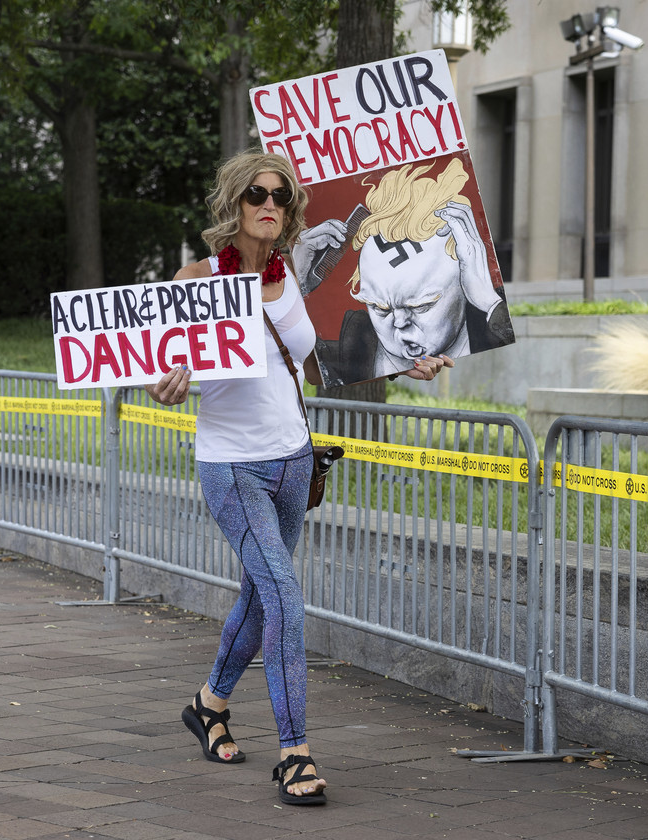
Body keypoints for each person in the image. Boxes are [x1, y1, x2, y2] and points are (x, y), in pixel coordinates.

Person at [143, 151, 452, 806]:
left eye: (281, 197)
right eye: (257, 193)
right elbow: (161, 369)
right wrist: (162, 388)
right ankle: (295, 754)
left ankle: (209, 704)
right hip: (231, 464)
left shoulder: (291, 282)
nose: (269, 205)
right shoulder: (196, 278)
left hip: (293, 460)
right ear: (234, 202)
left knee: (260, 599)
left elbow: (316, 368)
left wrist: (404, 364)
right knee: (282, 592)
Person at [293, 158, 514, 385]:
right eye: (379, 307)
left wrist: (488, 301)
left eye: (421, 305)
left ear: (465, 283)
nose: (399, 322)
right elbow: (305, 367)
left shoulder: (490, 327)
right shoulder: (349, 349)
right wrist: (297, 286)